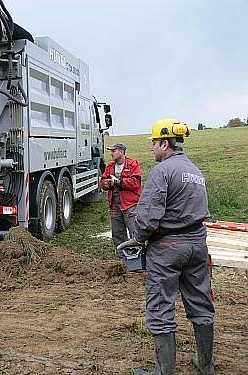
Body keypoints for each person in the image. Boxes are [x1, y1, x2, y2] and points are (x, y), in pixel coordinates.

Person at [117, 119, 215, 375]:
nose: (151, 148)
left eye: (153, 143)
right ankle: (206, 366)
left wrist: (137, 237)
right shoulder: (195, 170)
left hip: (168, 247)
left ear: (164, 143)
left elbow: (148, 216)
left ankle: (163, 372)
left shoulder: (163, 171)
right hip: (197, 244)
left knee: (160, 307)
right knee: (201, 304)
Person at [100, 143, 142, 256]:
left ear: (122, 152)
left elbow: (136, 183)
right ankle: (123, 259)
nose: (111, 153)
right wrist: (107, 184)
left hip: (130, 204)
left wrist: (119, 182)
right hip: (114, 204)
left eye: (114, 151)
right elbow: (102, 183)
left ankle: (138, 258)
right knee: (118, 233)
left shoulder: (133, 164)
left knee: (135, 232)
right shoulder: (110, 166)